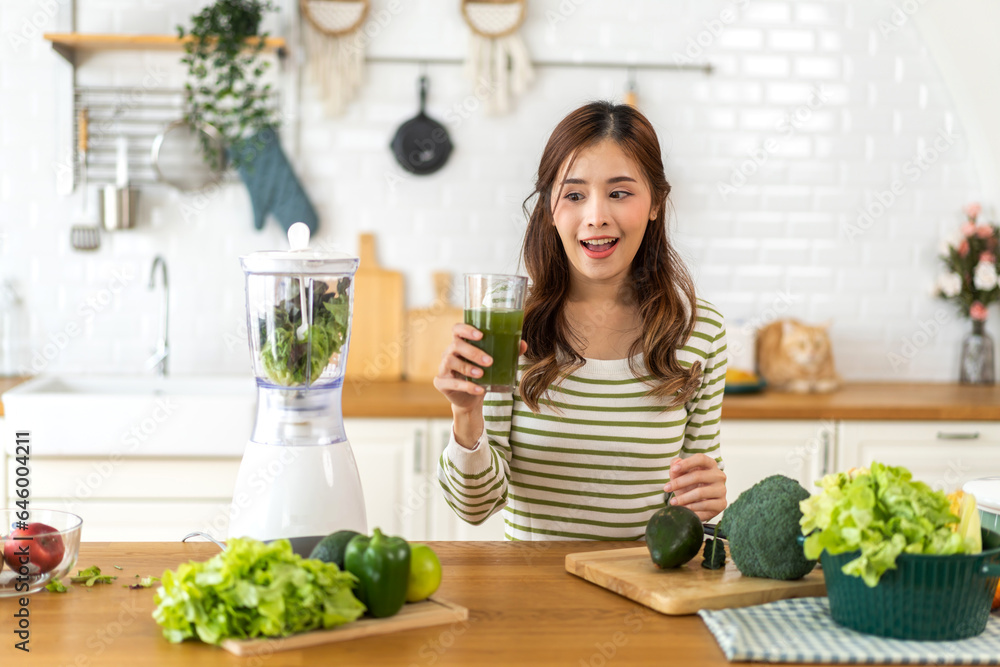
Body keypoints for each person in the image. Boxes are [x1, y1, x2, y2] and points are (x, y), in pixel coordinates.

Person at [433, 101, 727, 540]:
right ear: (550, 209)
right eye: (574, 195)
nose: (595, 216)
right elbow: (475, 509)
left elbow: (692, 517)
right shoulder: (508, 326)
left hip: (646, 592)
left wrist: (707, 498)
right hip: (535, 596)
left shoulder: (699, 332)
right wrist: (466, 414)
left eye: (619, 192)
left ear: (655, 203)